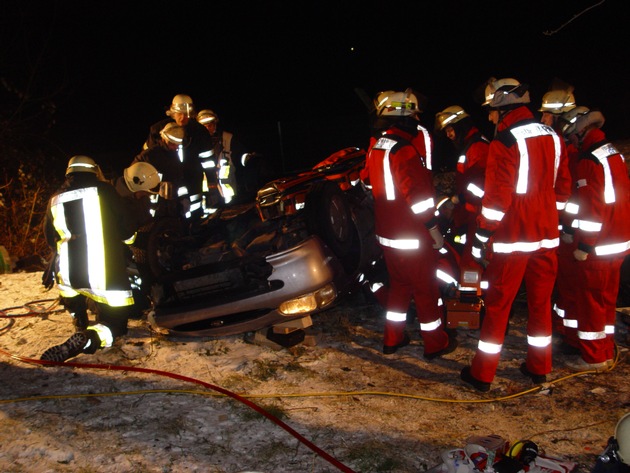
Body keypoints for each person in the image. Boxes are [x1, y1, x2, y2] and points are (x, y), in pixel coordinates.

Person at [460, 77, 571, 392]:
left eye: (491, 111)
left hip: (512, 240)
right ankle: (539, 368)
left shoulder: (504, 141)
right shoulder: (553, 136)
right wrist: (549, 216)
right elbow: (562, 187)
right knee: (540, 304)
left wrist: (482, 234)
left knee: (498, 306)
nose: (490, 117)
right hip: (547, 238)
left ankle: (482, 374)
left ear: (500, 107)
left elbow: (497, 199)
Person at [361, 88, 458, 359]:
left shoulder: (378, 146)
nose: (417, 119)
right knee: (425, 289)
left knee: (400, 286)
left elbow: (367, 181)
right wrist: (433, 228)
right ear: (404, 117)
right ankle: (435, 343)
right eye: (413, 115)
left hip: (388, 235)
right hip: (412, 234)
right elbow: (418, 198)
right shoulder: (404, 151)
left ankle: (392, 339)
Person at [40, 156, 139, 362]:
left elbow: (50, 237)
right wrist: (131, 241)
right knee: (116, 324)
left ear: (69, 173)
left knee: (73, 299)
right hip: (104, 273)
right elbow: (126, 227)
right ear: (94, 171)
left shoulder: (55, 198)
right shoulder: (105, 190)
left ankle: (79, 320)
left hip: (68, 274)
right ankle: (89, 338)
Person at [556, 106, 630, 371]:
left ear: (579, 129)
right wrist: (569, 229)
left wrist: (584, 244)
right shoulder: (612, 152)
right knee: (606, 300)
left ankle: (593, 357)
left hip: (598, 244)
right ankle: (604, 349)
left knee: (591, 301)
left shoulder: (588, 160)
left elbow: (592, 208)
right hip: (618, 240)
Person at [434, 105, 489, 279]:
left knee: (471, 263)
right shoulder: (470, 146)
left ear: (460, 126)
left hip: (479, 215)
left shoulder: (478, 147)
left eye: (450, 130)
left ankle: (471, 301)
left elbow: (482, 186)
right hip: (471, 214)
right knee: (467, 261)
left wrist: (458, 199)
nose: (449, 135)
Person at [145, 94, 213, 219]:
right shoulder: (157, 130)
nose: (183, 118)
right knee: (166, 212)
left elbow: (208, 160)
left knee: (194, 208)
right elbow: (148, 158)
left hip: (192, 178)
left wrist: (212, 182)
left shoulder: (199, 131)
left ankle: (194, 229)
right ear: (172, 113)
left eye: (186, 114)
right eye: (179, 114)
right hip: (167, 180)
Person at [196, 108, 253, 206]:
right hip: (205, 195)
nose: (208, 128)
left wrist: (248, 159)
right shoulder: (193, 143)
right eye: (204, 126)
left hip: (228, 196)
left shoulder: (228, 138)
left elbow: (240, 156)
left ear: (215, 124)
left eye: (210, 124)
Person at [133, 122, 190, 218]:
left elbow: (179, 179)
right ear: (164, 138)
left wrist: (184, 199)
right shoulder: (148, 156)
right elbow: (134, 179)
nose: (175, 147)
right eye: (172, 144)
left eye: (177, 145)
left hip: (171, 207)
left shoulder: (174, 156)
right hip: (153, 209)